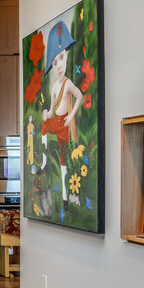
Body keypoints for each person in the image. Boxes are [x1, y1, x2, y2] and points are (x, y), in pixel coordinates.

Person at [41, 21, 83, 205]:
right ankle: (43, 162)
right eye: (55, 62)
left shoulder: (68, 84)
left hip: (63, 125)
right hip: (55, 121)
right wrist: (46, 114)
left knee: (64, 161)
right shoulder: (54, 87)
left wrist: (71, 115)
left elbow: (79, 97)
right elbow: (51, 110)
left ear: (66, 56)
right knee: (43, 126)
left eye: (61, 59)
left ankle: (65, 196)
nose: (58, 66)